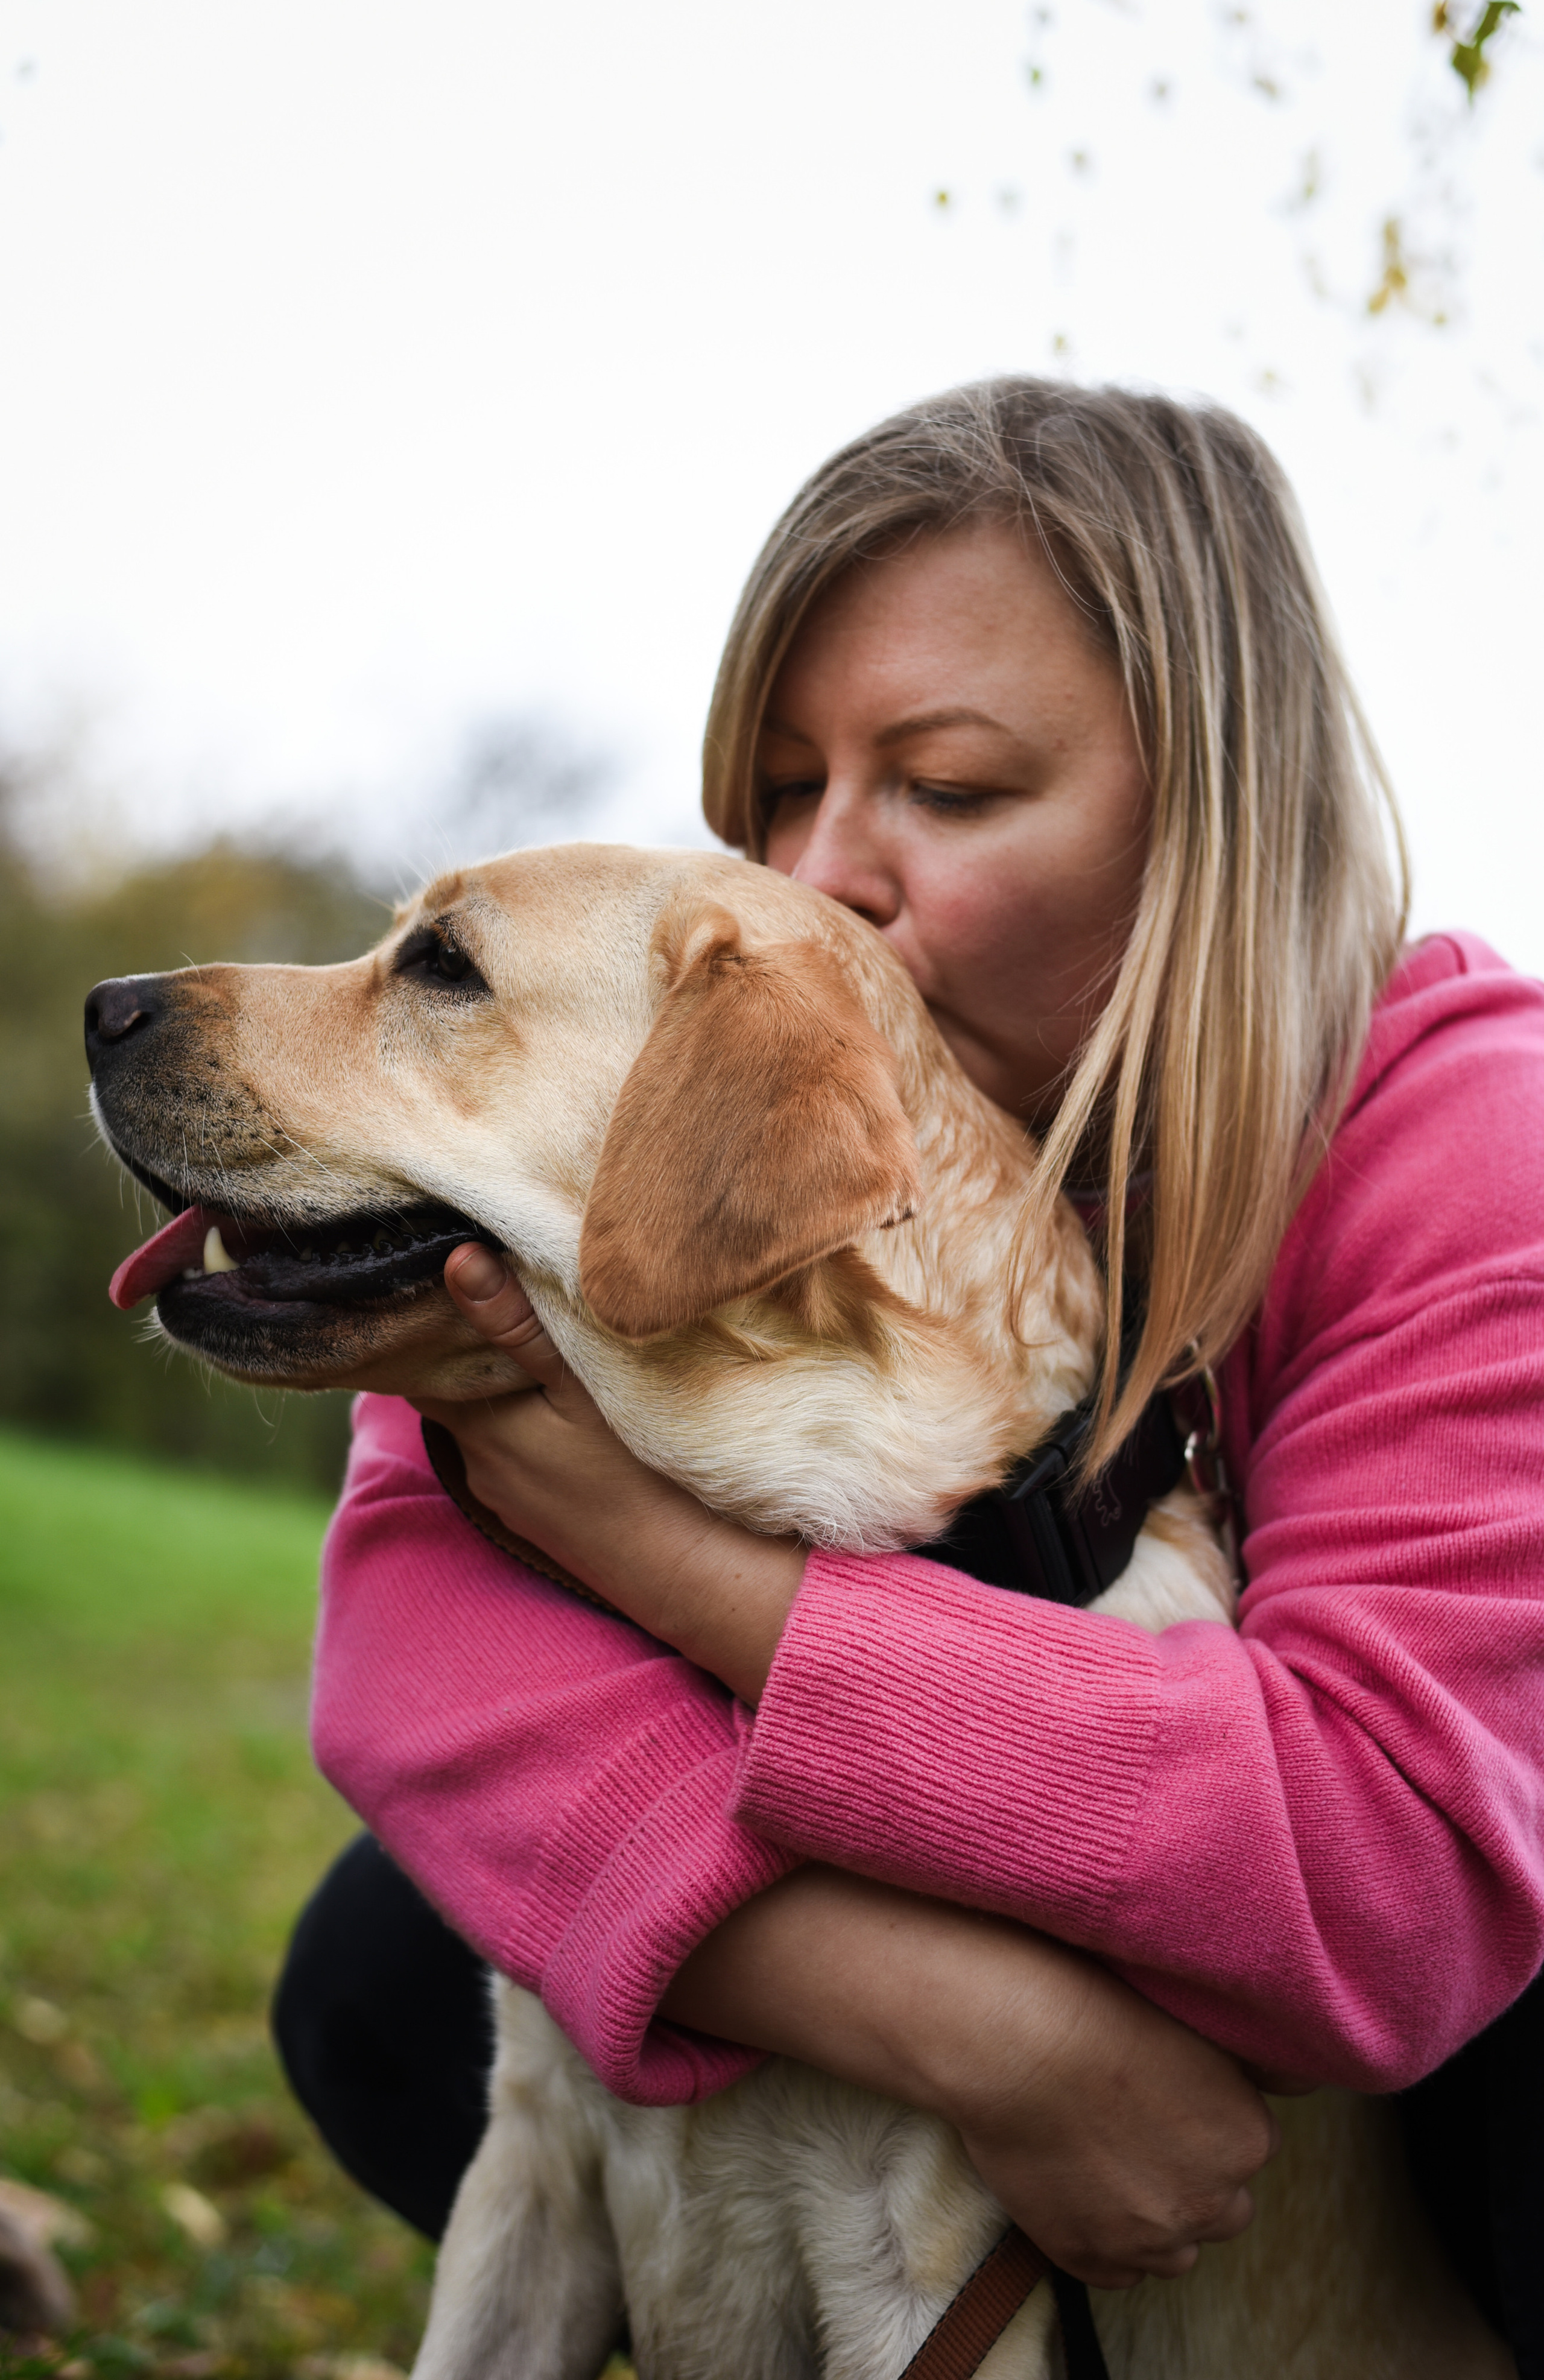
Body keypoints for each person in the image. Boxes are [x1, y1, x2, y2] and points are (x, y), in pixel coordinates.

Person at [274, 379, 1544, 2332]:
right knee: (389, 1964)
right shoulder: (748, 1108)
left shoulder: (1470, 1142)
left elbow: (1380, 1879)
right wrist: (989, 2040)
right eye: (784, 786)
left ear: (1219, 823)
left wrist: (664, 1556)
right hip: (1059, 1978)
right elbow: (419, 1640)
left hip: (1457, 2039)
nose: (822, 871)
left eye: (945, 788)